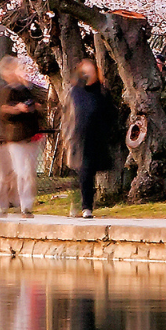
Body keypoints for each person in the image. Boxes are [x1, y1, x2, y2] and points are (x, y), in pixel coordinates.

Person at [0, 56, 47, 217]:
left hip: (30, 134)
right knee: (16, 173)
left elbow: (39, 103)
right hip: (13, 136)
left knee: (27, 171)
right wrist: (17, 109)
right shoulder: (3, 90)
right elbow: (2, 111)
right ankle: (12, 204)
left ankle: (26, 204)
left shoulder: (26, 88)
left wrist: (34, 107)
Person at [67, 58, 113, 219]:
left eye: (90, 72)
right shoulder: (75, 91)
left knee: (88, 172)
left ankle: (85, 204)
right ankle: (84, 205)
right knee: (81, 171)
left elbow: (110, 114)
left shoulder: (101, 92)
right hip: (79, 137)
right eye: (84, 72)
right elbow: (69, 114)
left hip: (96, 138)